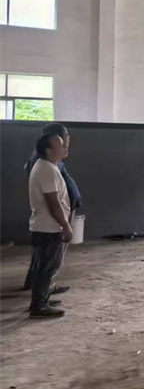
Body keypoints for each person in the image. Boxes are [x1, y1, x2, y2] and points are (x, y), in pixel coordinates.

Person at [22, 123, 80, 294]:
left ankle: (40, 289)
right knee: (48, 263)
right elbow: (52, 200)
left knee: (45, 260)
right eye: (65, 136)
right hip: (51, 221)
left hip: (53, 219)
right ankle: (40, 298)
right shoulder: (46, 165)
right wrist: (65, 225)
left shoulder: (49, 162)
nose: (68, 140)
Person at [28, 133, 73, 318]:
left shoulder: (46, 166)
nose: (65, 148)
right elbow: (53, 203)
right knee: (47, 268)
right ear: (48, 150)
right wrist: (66, 226)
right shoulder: (47, 170)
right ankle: (39, 306)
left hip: (44, 226)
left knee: (43, 267)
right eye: (60, 145)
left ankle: (41, 299)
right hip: (48, 228)